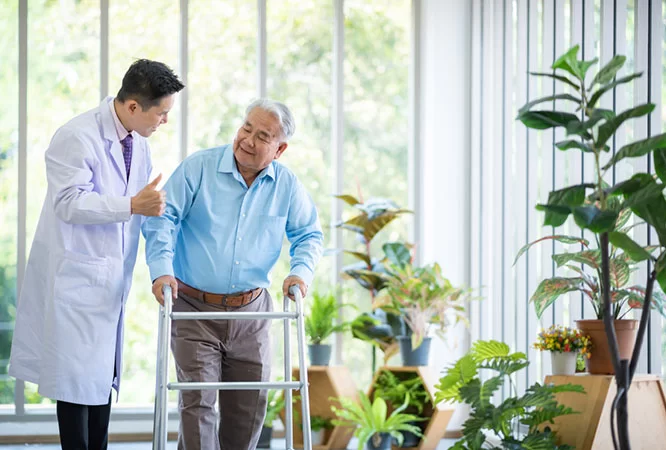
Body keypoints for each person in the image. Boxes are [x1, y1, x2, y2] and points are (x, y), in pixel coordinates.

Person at [8, 59, 185, 450]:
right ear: (135, 107)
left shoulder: (139, 145)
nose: (165, 121)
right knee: (75, 388)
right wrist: (132, 205)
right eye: (163, 113)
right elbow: (69, 203)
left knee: (101, 383)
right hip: (77, 279)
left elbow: (139, 205)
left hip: (108, 283)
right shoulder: (77, 136)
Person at [142, 98, 323, 450]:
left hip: (252, 313)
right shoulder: (199, 168)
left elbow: (309, 234)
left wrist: (300, 273)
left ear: (280, 148)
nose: (248, 140)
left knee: (248, 411)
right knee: (198, 407)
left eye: (263, 136)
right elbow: (163, 218)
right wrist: (161, 271)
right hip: (194, 308)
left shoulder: (286, 185)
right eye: (246, 128)